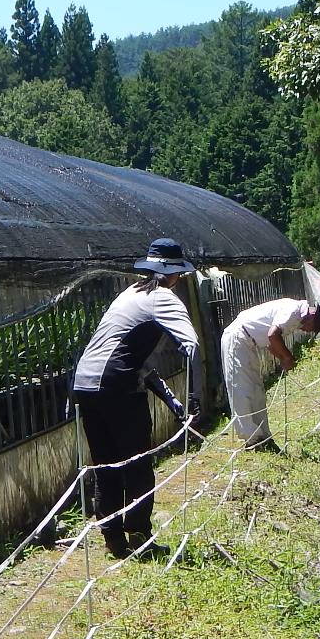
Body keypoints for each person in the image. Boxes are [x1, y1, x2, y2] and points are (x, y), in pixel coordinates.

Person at [71, 238, 202, 557]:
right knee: (138, 462)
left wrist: (172, 400)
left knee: (106, 463)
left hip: (85, 383)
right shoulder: (162, 297)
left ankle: (113, 539)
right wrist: (195, 392)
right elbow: (191, 345)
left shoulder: (129, 294)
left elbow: (137, 361)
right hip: (117, 384)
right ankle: (140, 538)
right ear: (175, 274)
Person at [221, 297, 320, 450]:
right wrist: (287, 357)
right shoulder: (293, 311)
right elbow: (273, 335)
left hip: (250, 343)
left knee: (256, 390)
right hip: (237, 338)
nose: (308, 331)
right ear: (312, 317)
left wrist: (283, 359)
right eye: (313, 328)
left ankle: (264, 436)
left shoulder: (297, 318)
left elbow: (272, 343)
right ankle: (251, 439)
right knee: (241, 388)